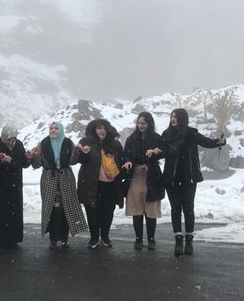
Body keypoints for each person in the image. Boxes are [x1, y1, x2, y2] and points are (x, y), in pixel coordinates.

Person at [161, 108, 226, 256]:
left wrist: (219, 142)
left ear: (182, 118)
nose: (172, 119)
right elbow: (162, 151)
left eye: (175, 117)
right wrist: (153, 153)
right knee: (175, 209)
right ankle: (178, 239)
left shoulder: (191, 133)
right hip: (171, 177)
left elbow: (207, 142)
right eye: (171, 116)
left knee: (188, 208)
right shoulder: (166, 134)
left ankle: (189, 240)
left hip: (188, 177)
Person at [31, 121, 88, 249]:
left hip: (66, 179)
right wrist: (34, 155)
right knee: (52, 211)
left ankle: (64, 239)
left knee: (65, 210)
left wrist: (76, 151)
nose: (53, 130)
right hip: (49, 179)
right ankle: (53, 239)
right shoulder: (43, 143)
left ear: (61, 130)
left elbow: (73, 161)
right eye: (51, 128)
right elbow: (36, 164)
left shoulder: (68, 142)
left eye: (56, 128)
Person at [0, 125, 34, 250]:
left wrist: (28, 158)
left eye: (13, 140)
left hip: (14, 186)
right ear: (3, 136)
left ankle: (13, 239)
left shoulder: (19, 145)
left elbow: (23, 163)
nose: (11, 142)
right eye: (9, 140)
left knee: (14, 214)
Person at [77, 119, 124, 249]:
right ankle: (94, 238)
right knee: (92, 212)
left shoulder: (115, 144)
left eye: (104, 128)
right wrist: (82, 152)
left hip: (111, 185)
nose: (102, 131)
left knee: (108, 212)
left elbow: (121, 161)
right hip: (92, 184)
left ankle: (105, 236)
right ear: (94, 130)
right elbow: (78, 160)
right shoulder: (86, 142)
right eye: (99, 128)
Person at [122, 112, 165, 250]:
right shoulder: (131, 138)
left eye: (143, 123)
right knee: (137, 208)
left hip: (152, 175)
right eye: (139, 123)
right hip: (135, 175)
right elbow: (126, 155)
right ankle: (138, 239)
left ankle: (151, 239)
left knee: (151, 208)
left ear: (149, 124)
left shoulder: (157, 138)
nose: (140, 126)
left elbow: (164, 153)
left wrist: (155, 153)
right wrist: (127, 161)